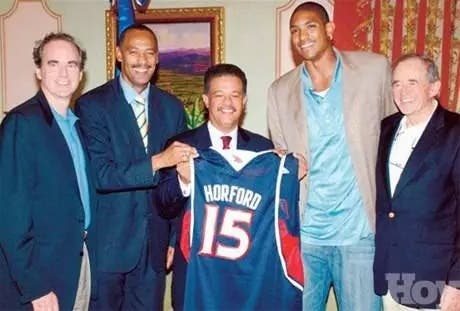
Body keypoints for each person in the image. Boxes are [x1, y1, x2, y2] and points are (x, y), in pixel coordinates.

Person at [267, 2, 395, 310]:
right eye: (294, 30)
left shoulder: (373, 70)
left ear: (329, 30)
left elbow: (394, 134)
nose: (302, 36)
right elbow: (283, 165)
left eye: (310, 26)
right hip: (305, 235)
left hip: (360, 234)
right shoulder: (279, 91)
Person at [75, 24, 195, 310]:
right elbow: (103, 175)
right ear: (118, 54)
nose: (142, 60)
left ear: (157, 58)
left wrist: (173, 238)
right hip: (108, 246)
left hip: (154, 249)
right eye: (133, 52)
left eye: (149, 53)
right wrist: (158, 160)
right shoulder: (91, 106)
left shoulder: (172, 108)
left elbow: (177, 183)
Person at [154, 63, 275, 310]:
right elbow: (163, 204)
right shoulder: (180, 145)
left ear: (245, 100)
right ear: (206, 101)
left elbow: (272, 213)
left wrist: (288, 169)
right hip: (195, 270)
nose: (227, 103)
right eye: (219, 95)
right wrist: (184, 180)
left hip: (246, 272)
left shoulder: (263, 149)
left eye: (235, 95)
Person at [0, 32, 95, 310]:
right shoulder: (22, 124)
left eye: (72, 65)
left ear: (81, 73)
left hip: (77, 264)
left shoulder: (78, 126)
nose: (63, 73)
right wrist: (34, 286)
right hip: (40, 276)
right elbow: (9, 215)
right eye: (53, 64)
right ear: (39, 71)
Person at [374, 54, 460, 310]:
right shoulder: (385, 128)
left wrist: (456, 283)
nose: (403, 91)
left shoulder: (456, 132)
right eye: (397, 83)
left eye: (413, 82)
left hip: (436, 279)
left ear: (434, 87)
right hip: (389, 273)